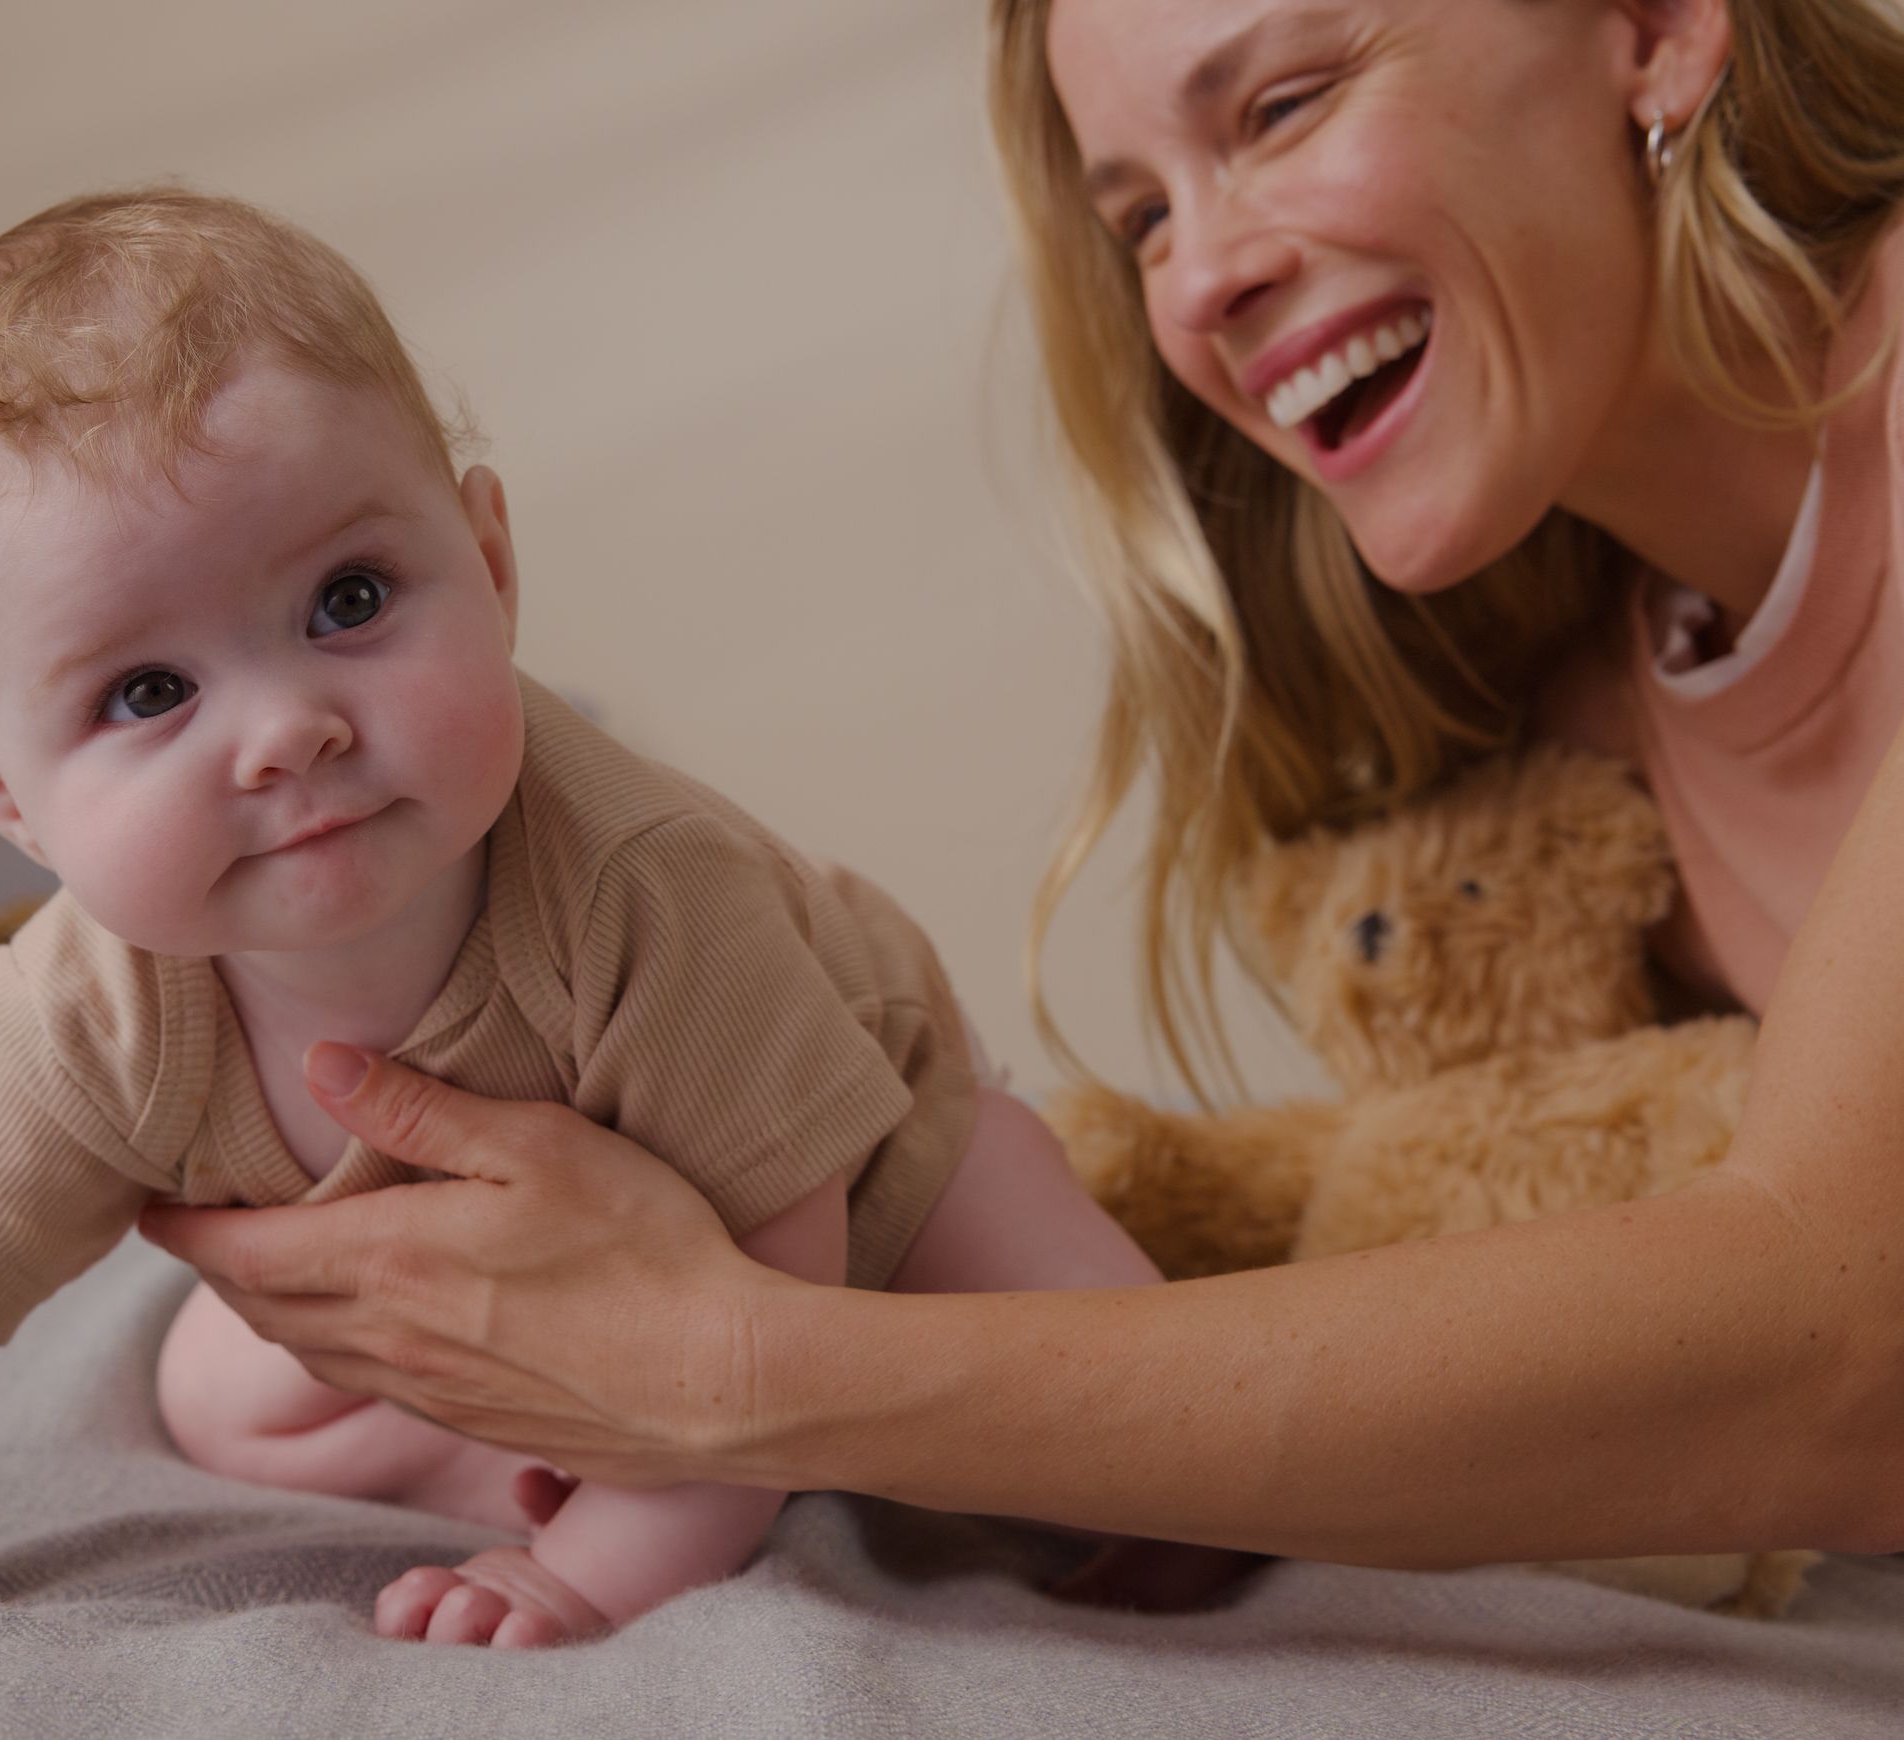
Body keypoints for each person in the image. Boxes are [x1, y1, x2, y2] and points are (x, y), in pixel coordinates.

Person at [140, 0, 1904, 1572]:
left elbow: (1839, 1360)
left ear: (1662, 26)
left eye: (1283, 106)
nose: (1198, 281)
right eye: (1138, 213)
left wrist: (730, 1368)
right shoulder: (1604, 689)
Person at [0, 187, 1238, 1654]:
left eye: (348, 601)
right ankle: (518, 1449)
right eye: (147, 693)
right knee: (223, 1390)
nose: (287, 730)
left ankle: (686, 1481)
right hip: (526, 1279)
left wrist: (588, 1576)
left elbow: (771, 1298)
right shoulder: (92, 1016)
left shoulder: (643, 893)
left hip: (867, 1176)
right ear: (6, 803)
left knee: (1132, 1418)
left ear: (489, 568)